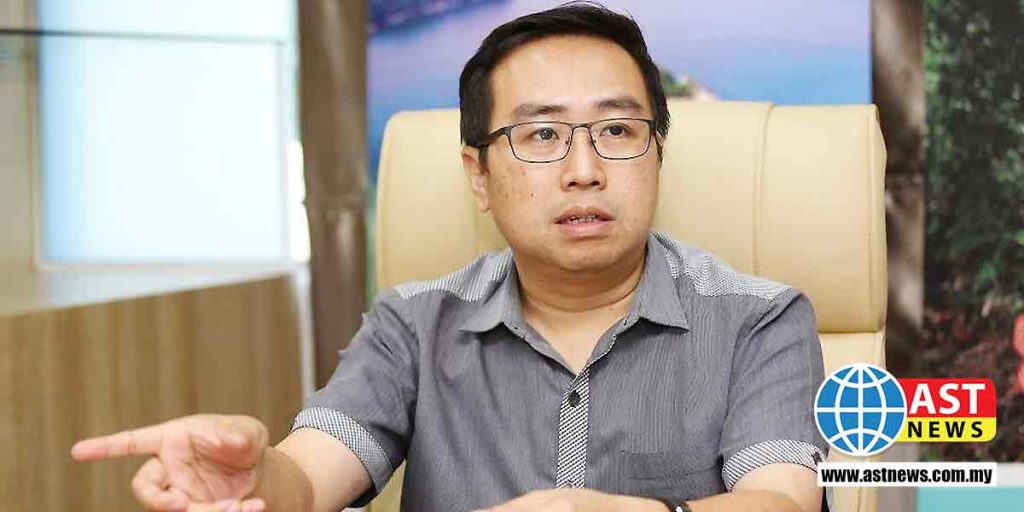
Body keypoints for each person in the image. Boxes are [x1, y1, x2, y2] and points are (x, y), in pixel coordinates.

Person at [71, 3, 828, 512]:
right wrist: (254, 480)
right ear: (479, 176)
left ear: (657, 153)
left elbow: (781, 499)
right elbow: (309, 471)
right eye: (541, 135)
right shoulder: (412, 323)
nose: (584, 170)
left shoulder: (759, 318)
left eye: (618, 131)